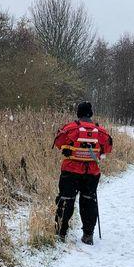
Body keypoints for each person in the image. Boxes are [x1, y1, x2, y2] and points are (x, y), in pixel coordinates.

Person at [53, 101, 113, 245]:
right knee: (88, 202)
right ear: (90, 114)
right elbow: (108, 149)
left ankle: (61, 232)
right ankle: (88, 234)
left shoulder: (70, 128)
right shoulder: (101, 131)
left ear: (78, 113)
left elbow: (58, 143)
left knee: (66, 200)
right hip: (91, 173)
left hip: (70, 171)